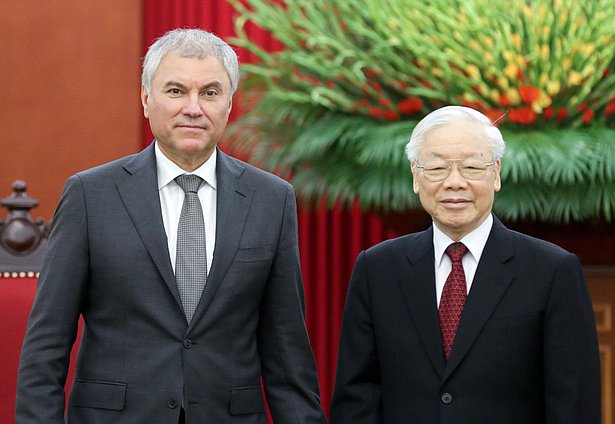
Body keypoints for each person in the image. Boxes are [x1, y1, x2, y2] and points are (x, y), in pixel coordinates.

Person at [16, 28, 327, 424]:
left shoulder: (271, 199)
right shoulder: (90, 195)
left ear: (229, 104)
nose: (193, 108)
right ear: (147, 99)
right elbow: (46, 347)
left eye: (210, 93)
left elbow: (288, 355)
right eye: (176, 91)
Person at [330, 105, 601, 423]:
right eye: (437, 169)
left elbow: (573, 404)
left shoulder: (551, 271)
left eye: (471, 168)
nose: (454, 183)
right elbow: (356, 399)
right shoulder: (377, 270)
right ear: (416, 177)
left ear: (496, 173)